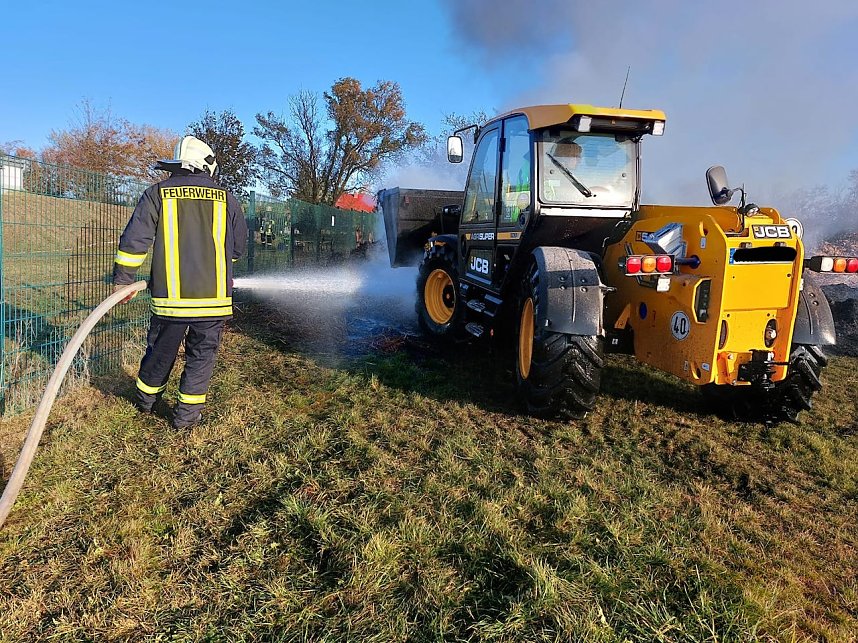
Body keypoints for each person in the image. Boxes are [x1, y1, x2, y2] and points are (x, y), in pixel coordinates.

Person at [112, 135, 248, 428]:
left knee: (160, 353)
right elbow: (237, 249)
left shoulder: (156, 194)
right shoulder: (227, 198)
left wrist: (124, 280)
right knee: (201, 358)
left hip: (170, 301)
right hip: (213, 302)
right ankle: (186, 419)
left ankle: (146, 403)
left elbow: (135, 241)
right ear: (206, 165)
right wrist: (223, 270)